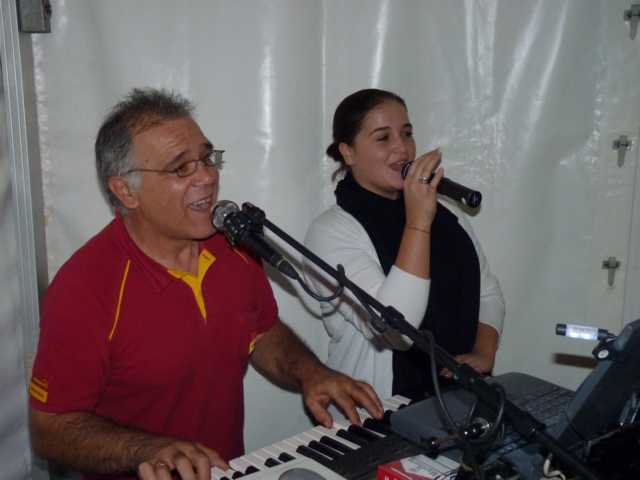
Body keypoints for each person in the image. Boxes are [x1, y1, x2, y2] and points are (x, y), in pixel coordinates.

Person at [28, 88, 383, 480]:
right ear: (126, 191)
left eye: (207, 158)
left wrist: (310, 372)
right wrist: (148, 449)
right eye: (181, 168)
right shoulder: (84, 288)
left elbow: (260, 331)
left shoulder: (232, 247)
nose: (207, 176)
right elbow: (50, 429)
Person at [303, 88, 505, 401]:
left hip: (461, 400)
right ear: (348, 152)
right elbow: (397, 330)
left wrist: (483, 353)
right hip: (381, 410)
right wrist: (418, 223)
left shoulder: (445, 212)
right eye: (383, 138)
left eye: (407, 134)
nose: (402, 147)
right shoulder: (330, 232)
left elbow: (487, 293)